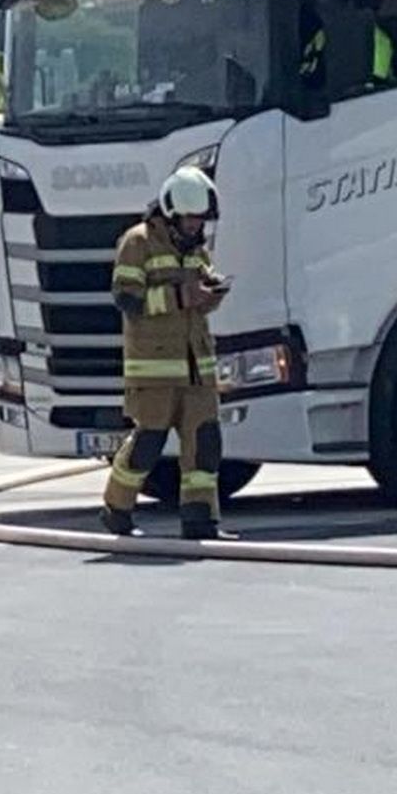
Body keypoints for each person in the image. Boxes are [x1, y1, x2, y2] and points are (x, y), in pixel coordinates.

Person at [102, 167, 232, 541]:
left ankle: (200, 520)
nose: (196, 226)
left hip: (197, 370)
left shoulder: (195, 249)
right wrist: (180, 297)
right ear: (171, 213)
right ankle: (116, 509)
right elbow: (126, 298)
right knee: (148, 444)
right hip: (154, 371)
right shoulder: (137, 242)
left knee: (204, 446)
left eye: (201, 220)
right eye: (191, 219)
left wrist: (209, 294)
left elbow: (199, 288)